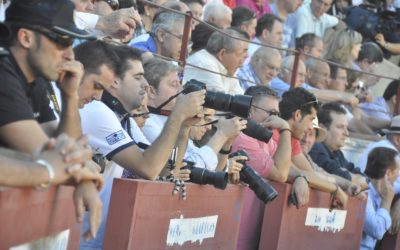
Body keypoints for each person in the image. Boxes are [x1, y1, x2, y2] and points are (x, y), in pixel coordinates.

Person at [79, 46, 205, 249]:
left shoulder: (124, 119)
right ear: (114, 81)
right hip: (84, 239)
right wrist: (177, 115)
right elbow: (148, 168)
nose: (146, 85)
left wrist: (183, 128)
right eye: (138, 77)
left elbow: (165, 168)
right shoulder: (97, 111)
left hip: (101, 237)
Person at [0, 0, 103, 239]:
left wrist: (69, 96)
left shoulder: (35, 78)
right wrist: (82, 176)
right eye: (62, 41)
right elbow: (48, 153)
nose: (70, 54)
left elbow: (63, 146)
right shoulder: (3, 71)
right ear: (26, 38)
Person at [309, 103, 369, 188]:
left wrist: (347, 174)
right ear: (322, 128)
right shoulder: (315, 147)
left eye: (346, 128)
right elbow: (338, 174)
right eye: (340, 127)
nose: (346, 133)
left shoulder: (337, 153)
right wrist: (348, 175)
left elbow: (366, 180)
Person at [183, 28, 249, 95]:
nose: (241, 63)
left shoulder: (228, 68)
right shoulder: (206, 64)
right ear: (222, 53)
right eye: (241, 54)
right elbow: (222, 102)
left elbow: (241, 98)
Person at [361, 147, 400, 250]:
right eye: (398, 170)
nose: (399, 174)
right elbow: (377, 231)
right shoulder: (363, 194)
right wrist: (387, 201)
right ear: (388, 173)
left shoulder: (386, 188)